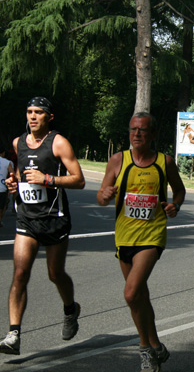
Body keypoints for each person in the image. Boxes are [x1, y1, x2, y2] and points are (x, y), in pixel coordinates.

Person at [97, 112, 185, 371]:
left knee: (131, 292)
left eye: (143, 130)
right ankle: (157, 346)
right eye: (133, 129)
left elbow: (179, 190)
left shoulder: (164, 162)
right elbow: (102, 199)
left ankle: (145, 349)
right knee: (140, 297)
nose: (137, 134)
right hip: (124, 236)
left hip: (152, 235)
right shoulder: (117, 160)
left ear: (153, 135)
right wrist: (104, 193)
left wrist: (175, 205)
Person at [0, 97, 85, 356]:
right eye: (29, 112)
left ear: (49, 116)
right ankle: (13, 334)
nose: (32, 116)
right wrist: (13, 184)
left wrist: (47, 179)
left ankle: (70, 309)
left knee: (55, 274)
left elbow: (79, 180)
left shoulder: (58, 143)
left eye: (38, 112)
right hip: (27, 218)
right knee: (19, 273)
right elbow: (18, 173)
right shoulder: (17, 143)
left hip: (54, 219)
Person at [0, 148, 15, 227]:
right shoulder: (7, 162)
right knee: (2, 206)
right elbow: (12, 174)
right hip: (2, 187)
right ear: (3, 153)